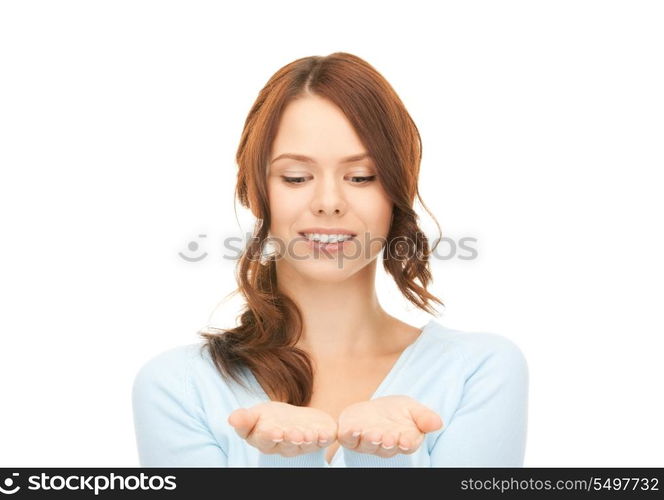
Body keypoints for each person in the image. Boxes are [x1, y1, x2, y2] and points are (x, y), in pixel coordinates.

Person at [131, 52, 529, 467]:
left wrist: (381, 459)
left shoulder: (479, 371)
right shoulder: (178, 386)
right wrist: (288, 459)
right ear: (254, 191)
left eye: (360, 177)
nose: (328, 203)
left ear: (397, 192)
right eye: (296, 178)